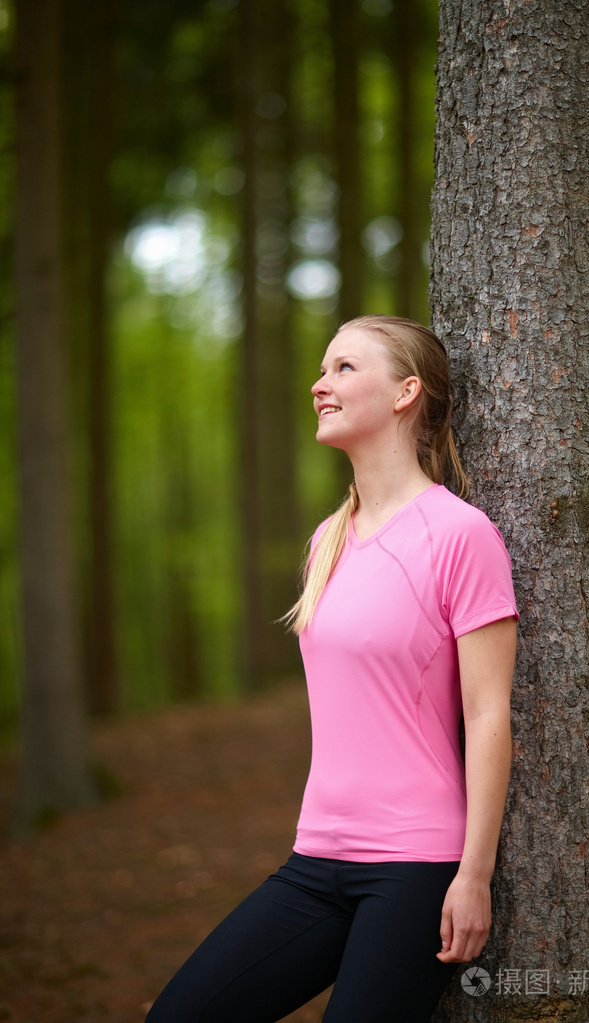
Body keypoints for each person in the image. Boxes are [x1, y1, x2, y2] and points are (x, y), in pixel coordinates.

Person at [146, 315, 518, 1023]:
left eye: (345, 368)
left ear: (406, 392)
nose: (320, 384)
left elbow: (487, 713)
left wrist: (475, 874)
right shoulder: (329, 538)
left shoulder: (460, 535)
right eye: (322, 369)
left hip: (416, 866)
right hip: (317, 856)